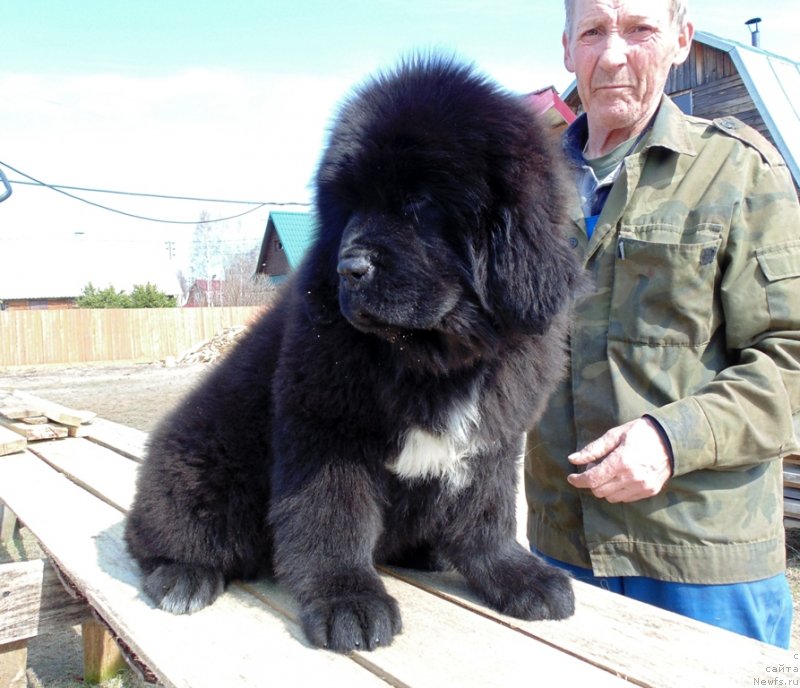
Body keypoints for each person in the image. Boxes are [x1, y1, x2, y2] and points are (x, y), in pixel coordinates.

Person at [525, 0, 800, 648]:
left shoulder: (737, 173)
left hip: (703, 564)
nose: (613, 55)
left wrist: (673, 437)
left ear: (681, 39)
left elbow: (792, 356)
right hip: (557, 554)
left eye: (640, 29)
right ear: (567, 48)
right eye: (593, 31)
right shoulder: (528, 188)